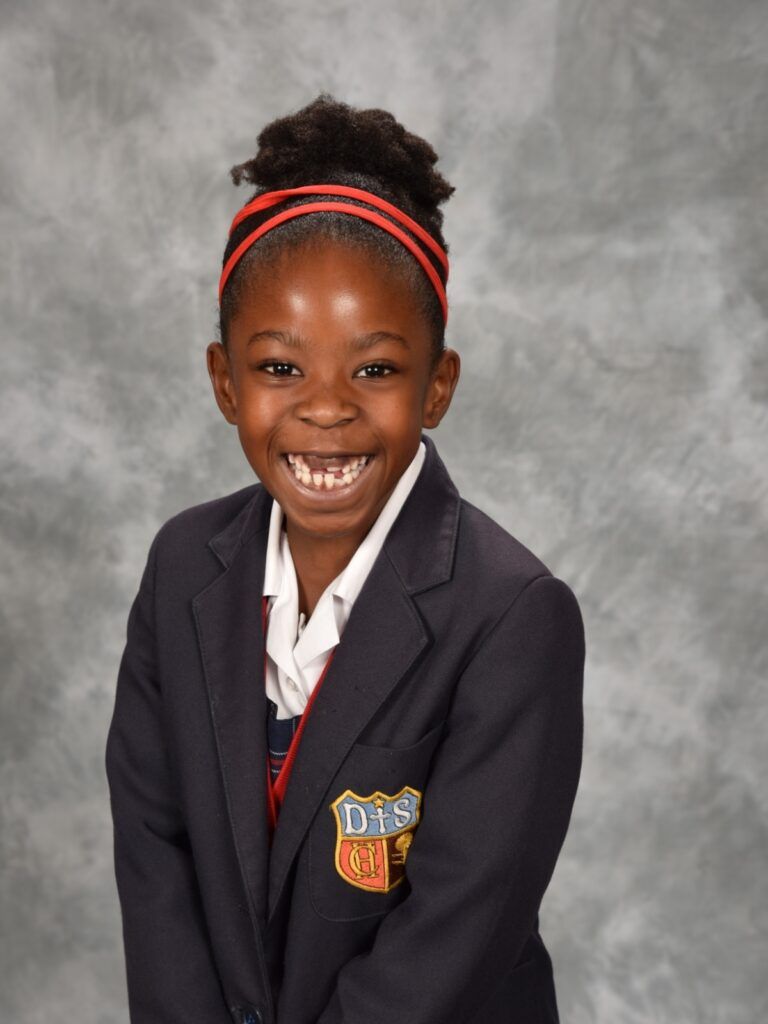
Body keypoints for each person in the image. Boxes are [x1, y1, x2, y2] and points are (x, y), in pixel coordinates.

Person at [105, 92, 585, 1024]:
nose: (326, 410)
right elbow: (156, 863)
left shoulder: (512, 614)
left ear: (438, 385)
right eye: (281, 367)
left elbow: (458, 929)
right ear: (223, 380)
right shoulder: (181, 569)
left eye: (375, 369)